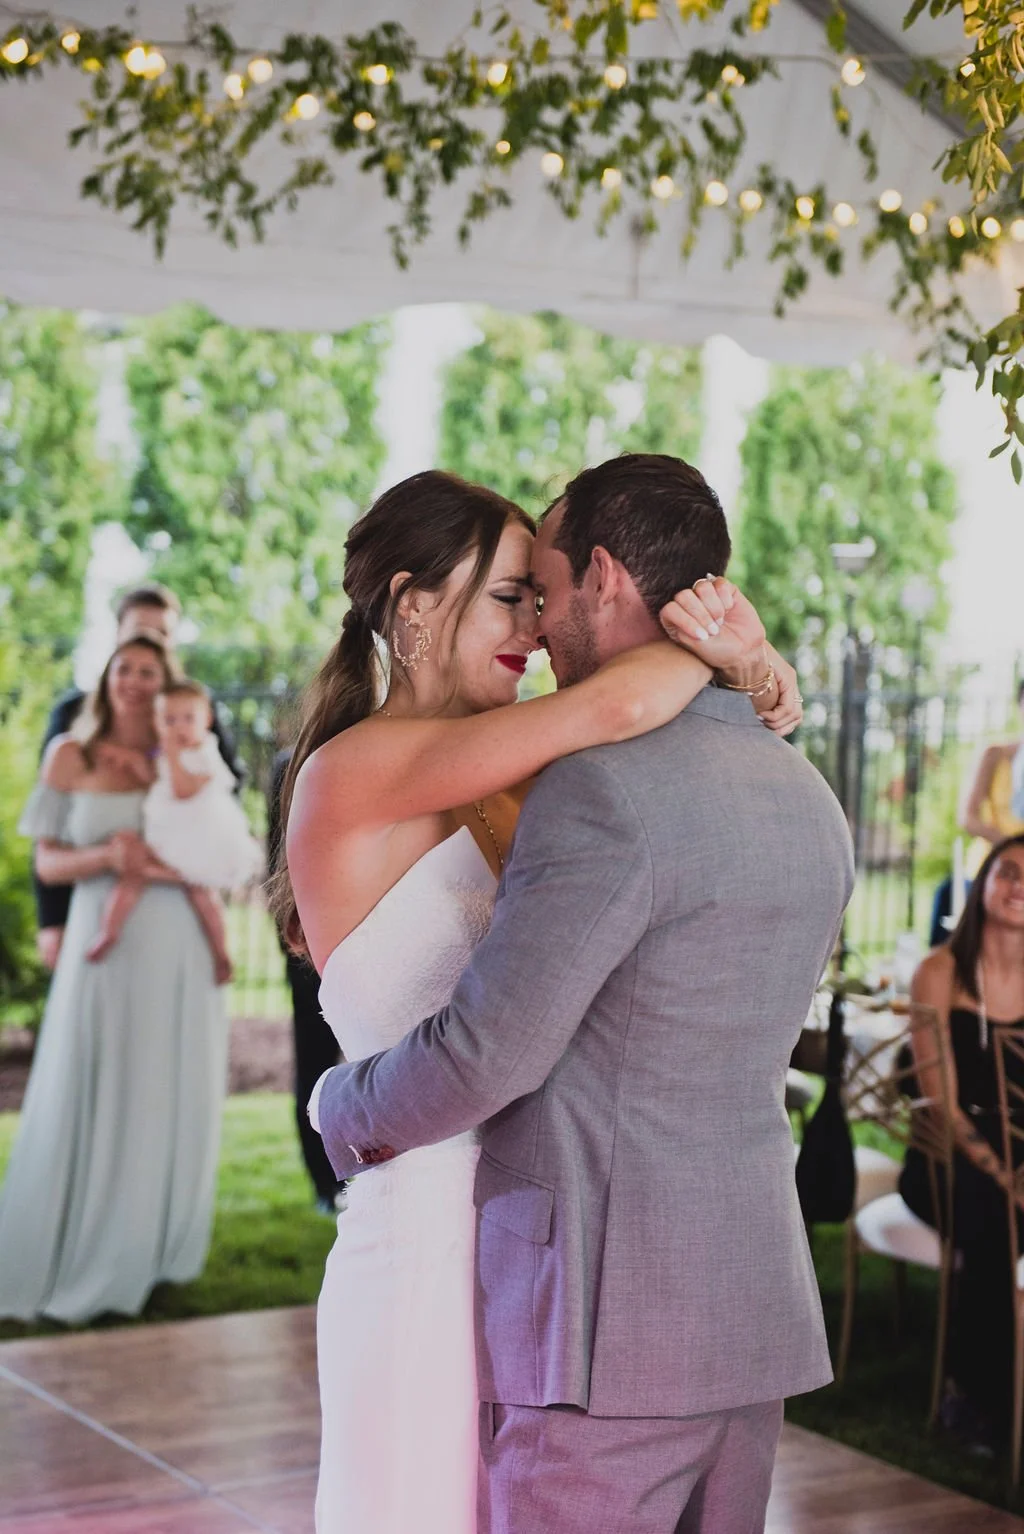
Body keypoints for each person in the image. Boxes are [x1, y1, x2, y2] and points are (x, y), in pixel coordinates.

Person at [279, 459, 850, 1534]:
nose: (535, 627)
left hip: (545, 1258)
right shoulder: (360, 769)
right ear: (411, 606)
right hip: (435, 1239)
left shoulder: (541, 771)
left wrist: (746, 666)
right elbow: (633, 693)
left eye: (541, 595)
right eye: (509, 594)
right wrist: (734, 651)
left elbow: (662, 753)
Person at [0, 635, 229, 1323]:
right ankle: (75, 1239)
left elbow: (215, 857)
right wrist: (106, 853)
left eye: (148, 672)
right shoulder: (70, 753)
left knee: (161, 1086)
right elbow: (48, 864)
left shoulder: (184, 762)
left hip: (178, 945)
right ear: (107, 677)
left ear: (166, 686)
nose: (133, 681)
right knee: (91, 1074)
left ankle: (151, 1248)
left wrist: (153, 865)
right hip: (104, 943)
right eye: (124, 669)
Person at [35, 582, 244, 973]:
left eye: (162, 634)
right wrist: (51, 921)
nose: (149, 642)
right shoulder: (71, 719)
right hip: (94, 915)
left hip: (183, 918)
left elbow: (225, 793)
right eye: (138, 633)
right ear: (117, 637)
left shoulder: (193, 720)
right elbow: (51, 827)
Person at [901, 832, 1024, 1453]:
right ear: (982, 884)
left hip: (1018, 1155)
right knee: (993, 1219)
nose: (1019, 887)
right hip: (946, 1153)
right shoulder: (940, 971)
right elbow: (941, 1104)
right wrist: (1004, 1177)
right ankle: (977, 1399)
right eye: (1007, 872)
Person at [86, 678, 262, 980]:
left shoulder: (206, 751)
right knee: (132, 876)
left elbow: (184, 790)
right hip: (168, 831)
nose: (178, 727)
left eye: (188, 719)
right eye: (169, 720)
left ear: (206, 720)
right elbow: (154, 776)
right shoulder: (164, 752)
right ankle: (108, 932)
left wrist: (171, 755)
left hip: (195, 836)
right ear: (156, 722)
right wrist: (129, 761)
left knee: (201, 893)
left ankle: (221, 954)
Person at [267, 747, 344, 1213]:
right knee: (314, 1061)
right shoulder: (289, 765)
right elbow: (278, 858)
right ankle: (323, 1182)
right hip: (309, 945)